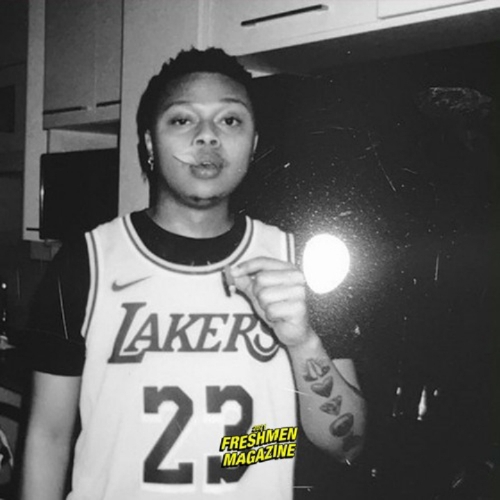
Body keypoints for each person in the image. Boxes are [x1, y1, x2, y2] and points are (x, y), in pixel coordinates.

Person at [20, 48, 366, 500]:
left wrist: (302, 342)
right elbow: (48, 436)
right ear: (149, 144)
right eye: (182, 120)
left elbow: (347, 446)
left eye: (230, 120)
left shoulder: (294, 264)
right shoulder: (86, 262)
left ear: (253, 144)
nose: (207, 136)